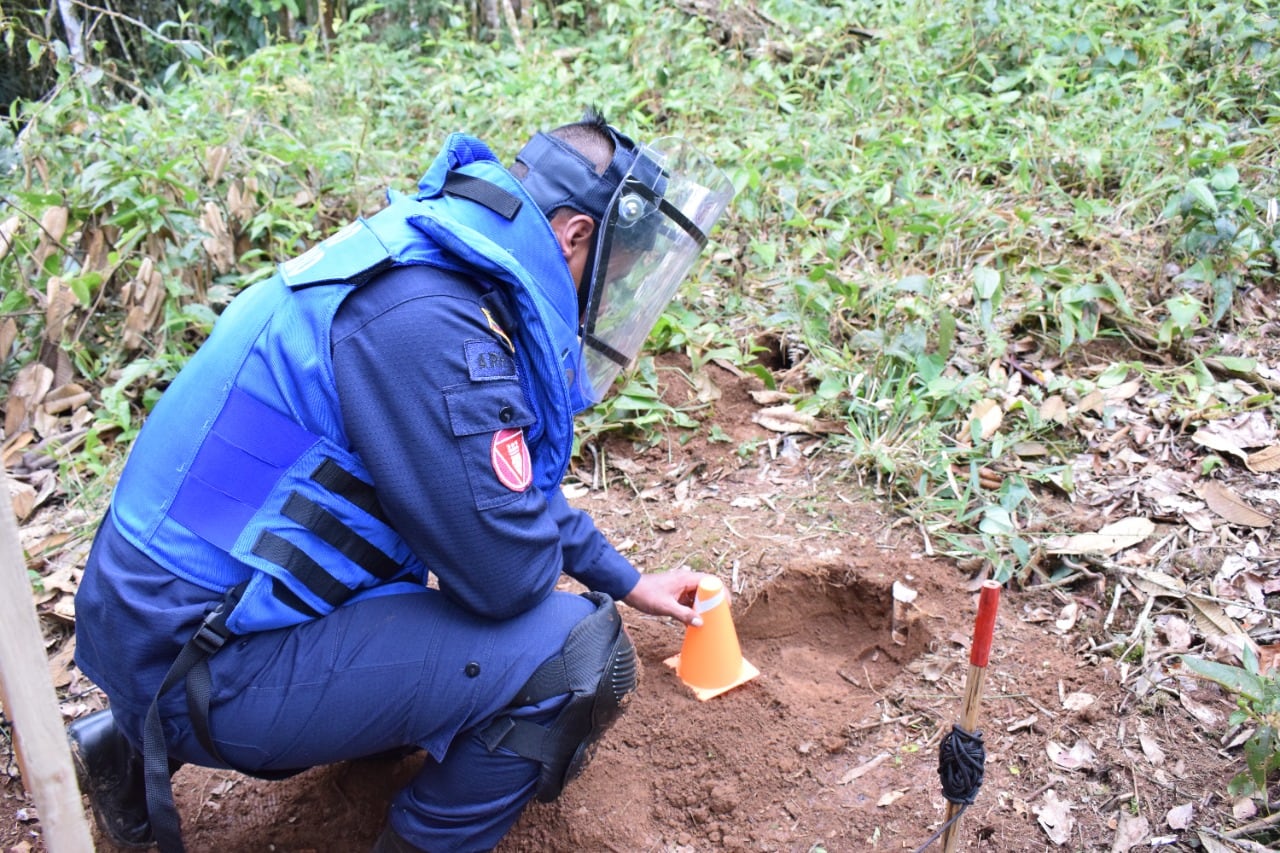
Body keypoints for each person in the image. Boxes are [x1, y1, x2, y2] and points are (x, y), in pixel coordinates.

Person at [67, 108, 735, 853]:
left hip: (153, 621)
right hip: (198, 661)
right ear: (574, 235)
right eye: (613, 276)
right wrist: (528, 556)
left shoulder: (413, 260)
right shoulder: (428, 322)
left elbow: (488, 481)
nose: (602, 299)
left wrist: (627, 578)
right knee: (575, 655)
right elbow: (507, 578)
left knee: (432, 561)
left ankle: (122, 745)